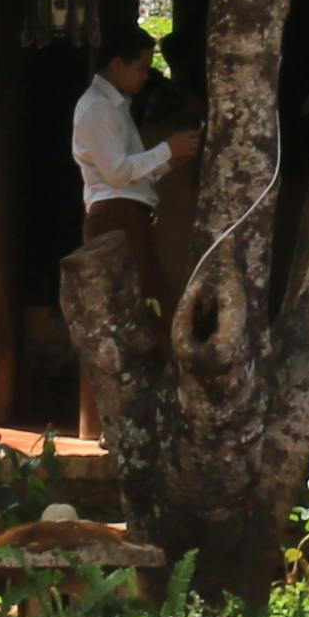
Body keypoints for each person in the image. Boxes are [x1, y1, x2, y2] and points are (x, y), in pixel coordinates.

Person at [67, 30, 187, 443]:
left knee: (138, 309)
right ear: (115, 63)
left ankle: (131, 418)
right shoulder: (97, 108)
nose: (143, 76)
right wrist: (167, 150)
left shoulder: (116, 108)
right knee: (131, 311)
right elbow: (118, 173)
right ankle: (118, 422)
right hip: (116, 214)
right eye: (138, 67)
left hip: (130, 209)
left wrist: (173, 156)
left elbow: (134, 174)